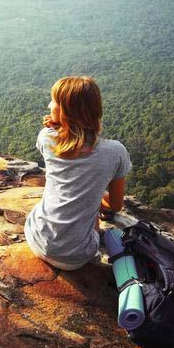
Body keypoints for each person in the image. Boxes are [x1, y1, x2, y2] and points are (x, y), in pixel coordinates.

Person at [24, 76, 132, 271]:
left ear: (66, 112)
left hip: (38, 240)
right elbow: (116, 205)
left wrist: (58, 127)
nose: (49, 105)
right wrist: (94, 197)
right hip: (76, 258)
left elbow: (68, 149)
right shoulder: (116, 152)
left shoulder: (46, 138)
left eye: (55, 102)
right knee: (92, 218)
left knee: (39, 208)